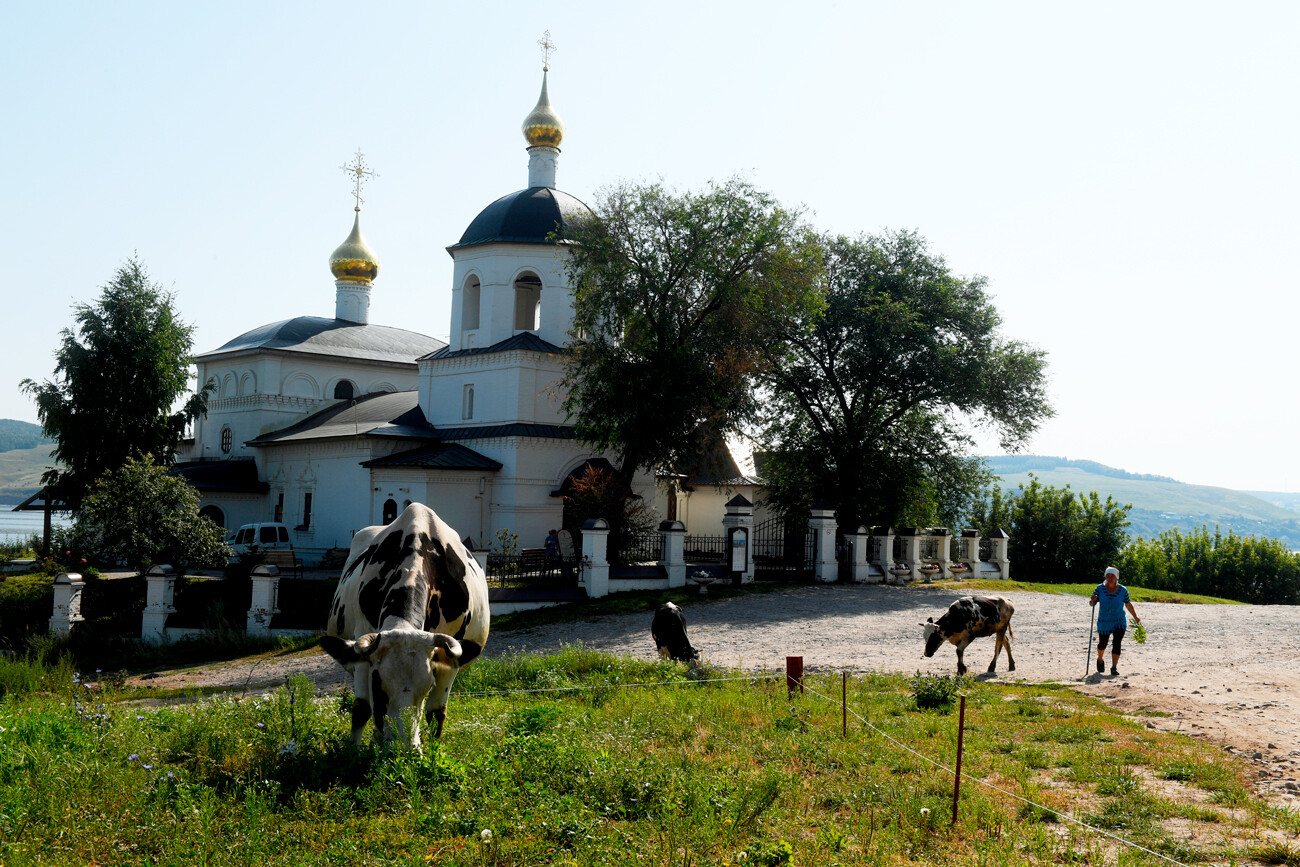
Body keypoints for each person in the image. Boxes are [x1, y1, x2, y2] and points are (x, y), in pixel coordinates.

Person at [1089, 566, 1141, 675]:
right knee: (1102, 644)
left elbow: (1127, 603)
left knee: (1117, 643)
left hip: (1119, 621)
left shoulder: (1123, 590)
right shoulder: (1100, 588)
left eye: (1112, 576)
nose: (1109, 578)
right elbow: (1092, 603)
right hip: (1104, 621)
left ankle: (1114, 667)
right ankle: (1100, 659)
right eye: (1107, 576)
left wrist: (1135, 617)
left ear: (1116, 577)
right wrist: (1092, 600)